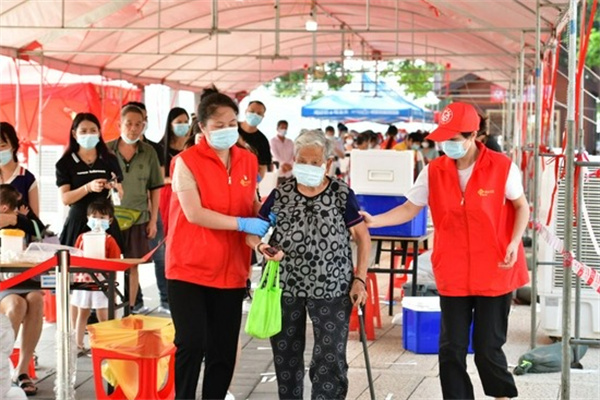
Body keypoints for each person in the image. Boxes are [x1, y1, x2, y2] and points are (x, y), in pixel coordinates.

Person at [361, 102, 529, 400]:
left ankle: (501, 396)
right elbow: (410, 208)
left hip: (495, 269)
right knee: (451, 347)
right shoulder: (434, 171)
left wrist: (514, 242)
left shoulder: (502, 167)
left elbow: (521, 207)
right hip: (453, 271)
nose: (446, 146)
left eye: (454, 139)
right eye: (443, 139)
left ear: (474, 135)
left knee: (488, 347)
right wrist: (375, 221)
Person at [246, 129, 371, 400]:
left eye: (315, 162)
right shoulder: (281, 194)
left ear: (328, 163)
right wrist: (261, 247)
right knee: (286, 355)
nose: (308, 166)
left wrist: (359, 279)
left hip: (333, 287)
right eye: (302, 161)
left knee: (331, 356)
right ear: (294, 160)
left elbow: (363, 237)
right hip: (285, 286)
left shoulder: (341, 193)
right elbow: (253, 233)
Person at [166, 86, 271, 399]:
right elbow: (194, 213)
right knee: (191, 343)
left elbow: (250, 208)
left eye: (232, 124)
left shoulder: (248, 161)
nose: (227, 130)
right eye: (219, 125)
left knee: (223, 350)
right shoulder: (186, 162)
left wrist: (262, 230)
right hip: (188, 268)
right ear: (202, 127)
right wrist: (240, 223)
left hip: (231, 269)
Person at [108, 104, 163, 313]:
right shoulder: (106, 150)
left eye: (138, 124)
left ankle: (129, 309)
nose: (133, 128)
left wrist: (153, 219)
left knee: (133, 265)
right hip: (109, 218)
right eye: (128, 123)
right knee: (108, 265)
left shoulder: (149, 152)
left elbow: (155, 188)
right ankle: (107, 309)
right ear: (119, 125)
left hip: (139, 217)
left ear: (144, 126)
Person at [55, 113, 124, 248]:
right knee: (76, 260)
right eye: (83, 131)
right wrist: (88, 188)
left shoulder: (109, 159)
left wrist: (114, 188)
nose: (89, 135)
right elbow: (65, 199)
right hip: (78, 221)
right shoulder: (65, 163)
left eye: (93, 131)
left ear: (99, 133)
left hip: (104, 220)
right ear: (74, 134)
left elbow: (120, 194)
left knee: (109, 259)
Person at [0, 188, 42, 396]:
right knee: (17, 305)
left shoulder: (21, 221)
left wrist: (16, 219)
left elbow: (39, 229)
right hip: (3, 284)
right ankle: (3, 365)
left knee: (36, 299)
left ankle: (22, 371)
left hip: (25, 280)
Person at [71, 200, 122, 353]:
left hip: (103, 282)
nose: (98, 221)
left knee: (103, 313)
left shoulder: (110, 240)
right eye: (94, 217)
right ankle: (78, 344)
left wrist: (112, 286)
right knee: (82, 312)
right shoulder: (81, 238)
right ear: (88, 218)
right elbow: (75, 256)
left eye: (102, 217)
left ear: (110, 220)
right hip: (83, 281)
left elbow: (115, 263)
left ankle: (105, 345)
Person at [154, 107, 190, 314]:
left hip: (188, 194)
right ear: (170, 124)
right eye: (179, 121)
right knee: (166, 246)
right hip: (167, 196)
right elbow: (159, 178)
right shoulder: (161, 148)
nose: (183, 125)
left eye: (185, 121)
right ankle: (166, 296)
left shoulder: (191, 145)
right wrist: (177, 180)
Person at [237, 100, 272, 180]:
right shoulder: (232, 128)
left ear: (263, 116)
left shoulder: (263, 141)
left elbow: (262, 168)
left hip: (244, 180)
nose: (255, 115)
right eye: (252, 111)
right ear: (246, 111)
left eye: (259, 113)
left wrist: (254, 182)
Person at [269, 120, 294, 185]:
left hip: (289, 172)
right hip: (279, 171)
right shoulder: (273, 141)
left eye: (285, 128)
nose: (284, 129)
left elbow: (293, 155)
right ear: (277, 128)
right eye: (282, 127)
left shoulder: (290, 142)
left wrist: (289, 165)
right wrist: (283, 164)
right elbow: (275, 154)